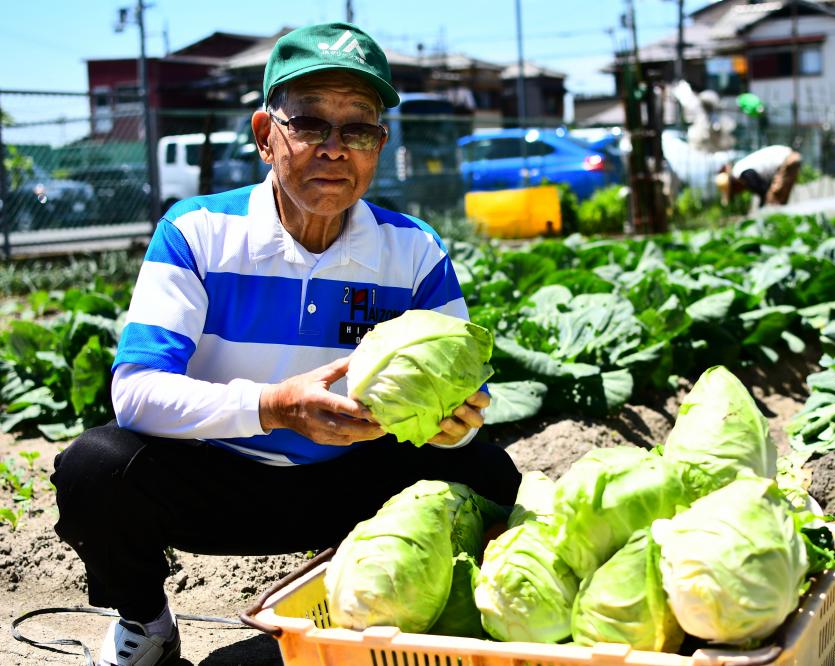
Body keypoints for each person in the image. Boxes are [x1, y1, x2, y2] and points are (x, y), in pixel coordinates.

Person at [50, 22, 522, 666]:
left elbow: (470, 391)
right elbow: (135, 391)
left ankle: (408, 615)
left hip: (357, 486)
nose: (335, 149)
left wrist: (458, 423)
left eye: (358, 129)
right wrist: (273, 406)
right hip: (220, 477)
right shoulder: (197, 232)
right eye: (309, 125)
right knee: (95, 469)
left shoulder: (412, 249)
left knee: (491, 470)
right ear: (265, 136)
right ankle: (147, 624)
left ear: (379, 145)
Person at [715, 144, 802, 207]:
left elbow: (765, 193)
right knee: (778, 201)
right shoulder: (741, 170)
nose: (739, 193)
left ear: (734, 185)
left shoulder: (744, 175)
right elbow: (763, 192)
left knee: (774, 202)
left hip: (787, 161)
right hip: (788, 158)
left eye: (734, 191)